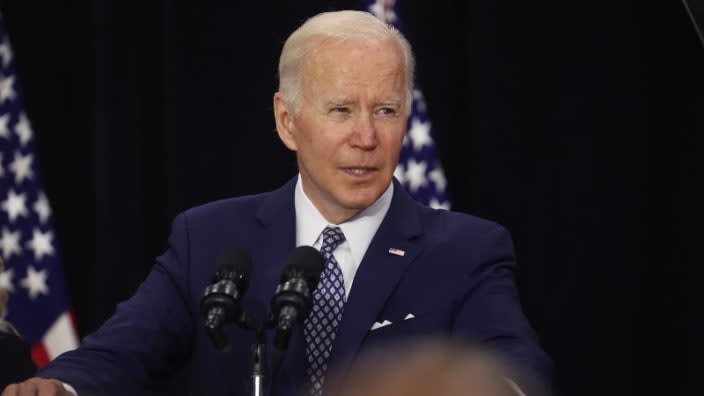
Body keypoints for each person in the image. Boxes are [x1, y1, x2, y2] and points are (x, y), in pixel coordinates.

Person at [2, 10, 552, 396]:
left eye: (385, 111)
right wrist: (61, 387)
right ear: (287, 121)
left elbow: (513, 369)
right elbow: (121, 353)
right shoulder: (211, 239)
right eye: (341, 110)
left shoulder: (465, 250)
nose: (366, 137)